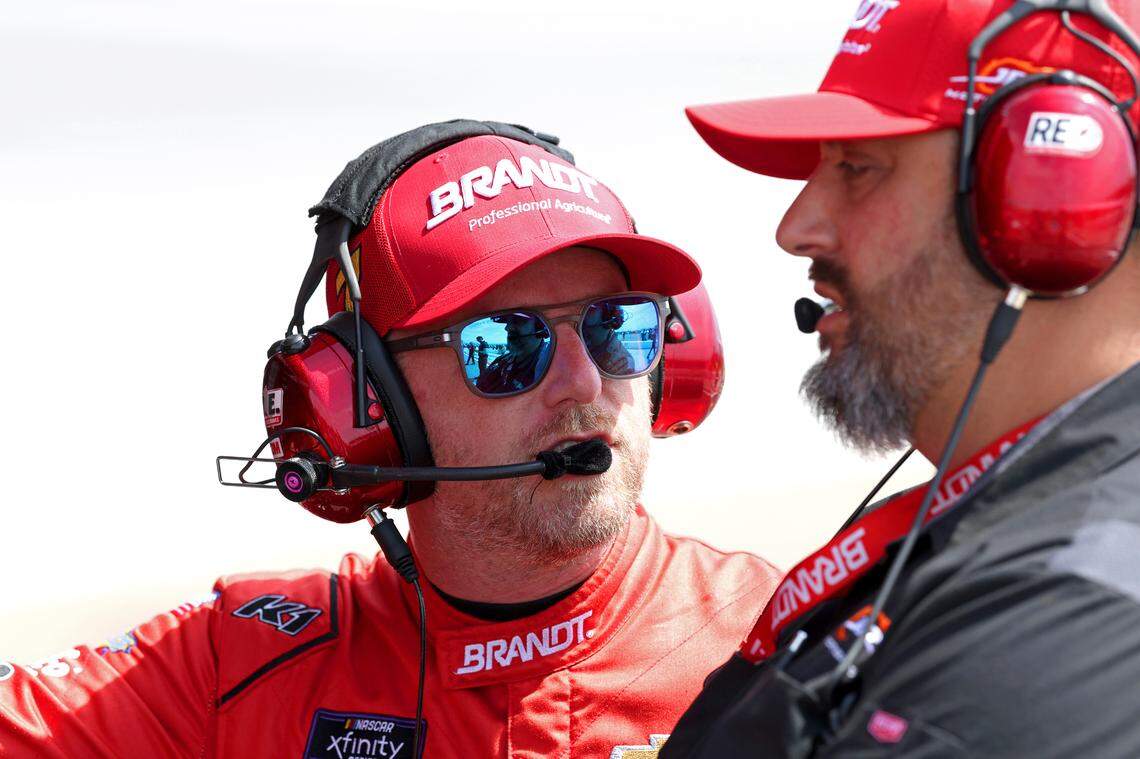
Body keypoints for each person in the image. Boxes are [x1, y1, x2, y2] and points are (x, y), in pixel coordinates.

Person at [0, 121, 782, 758]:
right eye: (507, 345)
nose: (584, 381)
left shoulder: (782, 639)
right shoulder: (236, 663)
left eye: (618, 328)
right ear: (369, 402)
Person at [662, 1, 1140, 756]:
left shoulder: (1060, 613)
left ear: (1055, 204)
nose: (796, 226)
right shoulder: (1005, 527)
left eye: (857, 166)